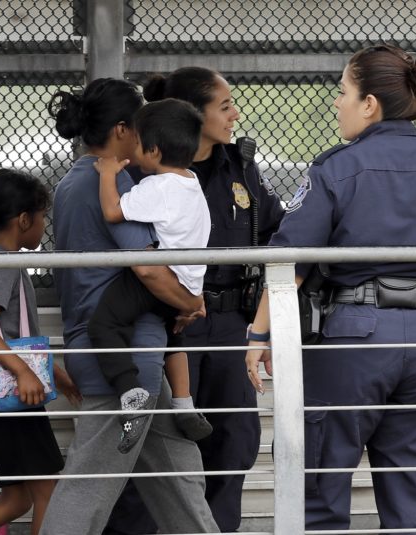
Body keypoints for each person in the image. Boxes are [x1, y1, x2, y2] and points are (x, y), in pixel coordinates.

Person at [245, 44, 416, 530]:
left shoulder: (335, 169)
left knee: (318, 485)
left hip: (353, 340)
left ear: (370, 103)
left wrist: (260, 335)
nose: (336, 102)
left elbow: (289, 261)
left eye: (343, 92)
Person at [105, 66, 284, 534]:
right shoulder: (153, 175)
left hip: (228, 326)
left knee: (233, 444)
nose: (235, 115)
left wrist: (266, 329)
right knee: (156, 448)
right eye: (224, 107)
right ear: (192, 115)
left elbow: (276, 233)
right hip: (170, 322)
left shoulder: (241, 166)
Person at [40, 78, 219, 534]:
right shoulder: (114, 183)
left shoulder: (70, 183)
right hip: (123, 361)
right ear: (122, 130)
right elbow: (148, 269)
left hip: (125, 357)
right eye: (140, 124)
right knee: (89, 486)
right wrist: (192, 301)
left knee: (179, 475)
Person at [0, 168, 81, 535]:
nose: (44, 225)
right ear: (24, 220)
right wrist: (24, 373)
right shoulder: (4, 263)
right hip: (11, 403)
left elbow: (17, 335)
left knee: (17, 499)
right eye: (42, 217)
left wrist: (56, 374)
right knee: (46, 492)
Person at [89, 98, 213, 452]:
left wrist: (109, 174)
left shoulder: (157, 188)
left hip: (160, 280)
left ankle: (130, 391)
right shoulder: (192, 182)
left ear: (154, 151)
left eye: (139, 144)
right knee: (174, 337)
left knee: (106, 324)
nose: (135, 149)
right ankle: (184, 403)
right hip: (189, 282)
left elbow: (113, 212)